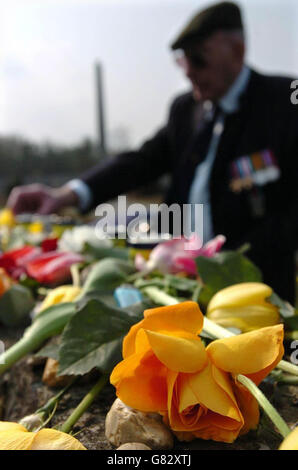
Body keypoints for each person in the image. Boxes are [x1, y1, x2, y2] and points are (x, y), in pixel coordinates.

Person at [7, 2, 298, 303]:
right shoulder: (186, 109)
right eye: (182, 61)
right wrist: (66, 195)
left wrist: (227, 262)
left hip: (256, 294)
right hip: (181, 288)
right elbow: (140, 162)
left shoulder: (284, 103)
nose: (189, 73)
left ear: (236, 50)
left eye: (199, 59)